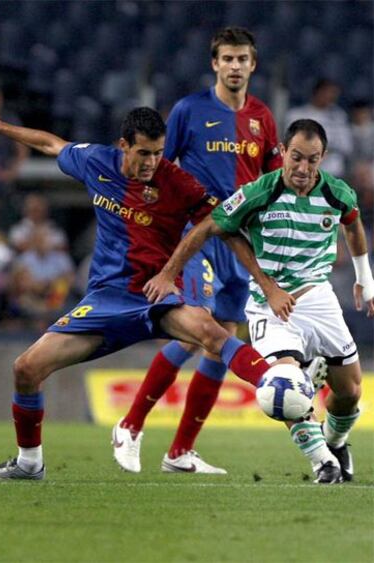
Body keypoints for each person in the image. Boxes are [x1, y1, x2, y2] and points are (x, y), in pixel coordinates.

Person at [0, 92, 288, 481]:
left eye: (158, 153)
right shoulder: (95, 162)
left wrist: (261, 281)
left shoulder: (178, 182)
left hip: (158, 297)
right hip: (106, 301)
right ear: (124, 146)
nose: (152, 163)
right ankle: (29, 463)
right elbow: (52, 143)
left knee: (213, 335)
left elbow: (224, 226)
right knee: (26, 369)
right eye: (144, 154)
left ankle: (276, 382)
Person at [144, 119, 374, 484]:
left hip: (319, 299)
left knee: (349, 393)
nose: (302, 168)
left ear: (323, 158)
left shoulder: (337, 193)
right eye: (296, 157)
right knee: (280, 387)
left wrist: (365, 278)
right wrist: (170, 273)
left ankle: (336, 443)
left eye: (312, 160)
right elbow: (211, 227)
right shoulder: (258, 192)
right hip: (269, 305)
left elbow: (353, 223)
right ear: (283, 152)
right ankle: (322, 463)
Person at [113, 26, 283, 474]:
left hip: (240, 241)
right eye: (227, 59)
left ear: (253, 64)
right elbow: (161, 166)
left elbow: (274, 175)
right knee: (197, 331)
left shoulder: (262, 117)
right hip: (199, 236)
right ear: (214, 63)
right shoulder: (190, 110)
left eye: (242, 59)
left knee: (219, 342)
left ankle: (180, 451)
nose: (234, 66)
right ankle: (130, 425)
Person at [285, 78, 352, 177]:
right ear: (318, 92)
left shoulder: (339, 116)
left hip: (333, 172)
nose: (332, 97)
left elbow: (347, 146)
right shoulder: (296, 115)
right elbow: (290, 143)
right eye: (329, 93)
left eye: (334, 94)